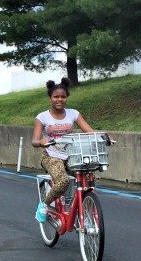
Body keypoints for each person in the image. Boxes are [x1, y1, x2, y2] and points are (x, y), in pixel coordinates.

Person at [31, 77, 94, 222]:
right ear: (50, 98)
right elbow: (34, 141)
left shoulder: (73, 114)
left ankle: (82, 208)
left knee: (89, 178)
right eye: (56, 96)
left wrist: (103, 136)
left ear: (67, 98)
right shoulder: (42, 117)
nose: (60, 99)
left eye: (63, 97)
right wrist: (41, 141)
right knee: (62, 182)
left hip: (71, 155)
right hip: (51, 156)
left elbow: (88, 131)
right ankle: (44, 204)